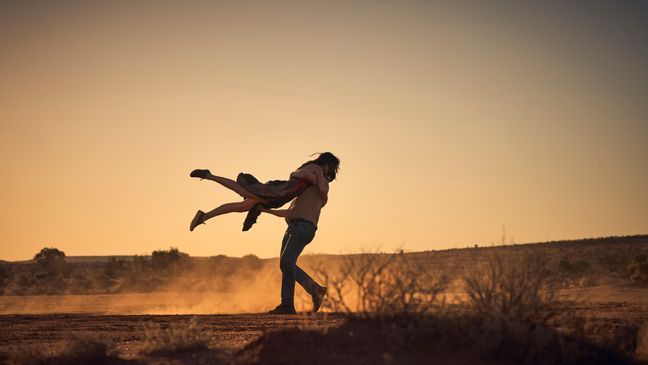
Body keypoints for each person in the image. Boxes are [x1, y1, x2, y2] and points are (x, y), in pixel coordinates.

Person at [261, 154, 339, 314]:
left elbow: (303, 174)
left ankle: (307, 294)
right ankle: (290, 303)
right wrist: (265, 210)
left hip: (304, 227)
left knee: (286, 263)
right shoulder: (303, 194)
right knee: (286, 265)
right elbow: (289, 211)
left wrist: (314, 171)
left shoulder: (322, 186)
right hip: (293, 227)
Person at [188, 152, 338, 232]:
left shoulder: (312, 170)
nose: (328, 174)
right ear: (327, 164)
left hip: (282, 194)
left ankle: (204, 216)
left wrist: (307, 177)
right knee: (245, 193)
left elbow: (297, 173)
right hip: (280, 191)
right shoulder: (317, 169)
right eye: (330, 170)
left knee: (241, 207)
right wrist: (320, 184)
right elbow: (320, 187)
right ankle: (209, 175)